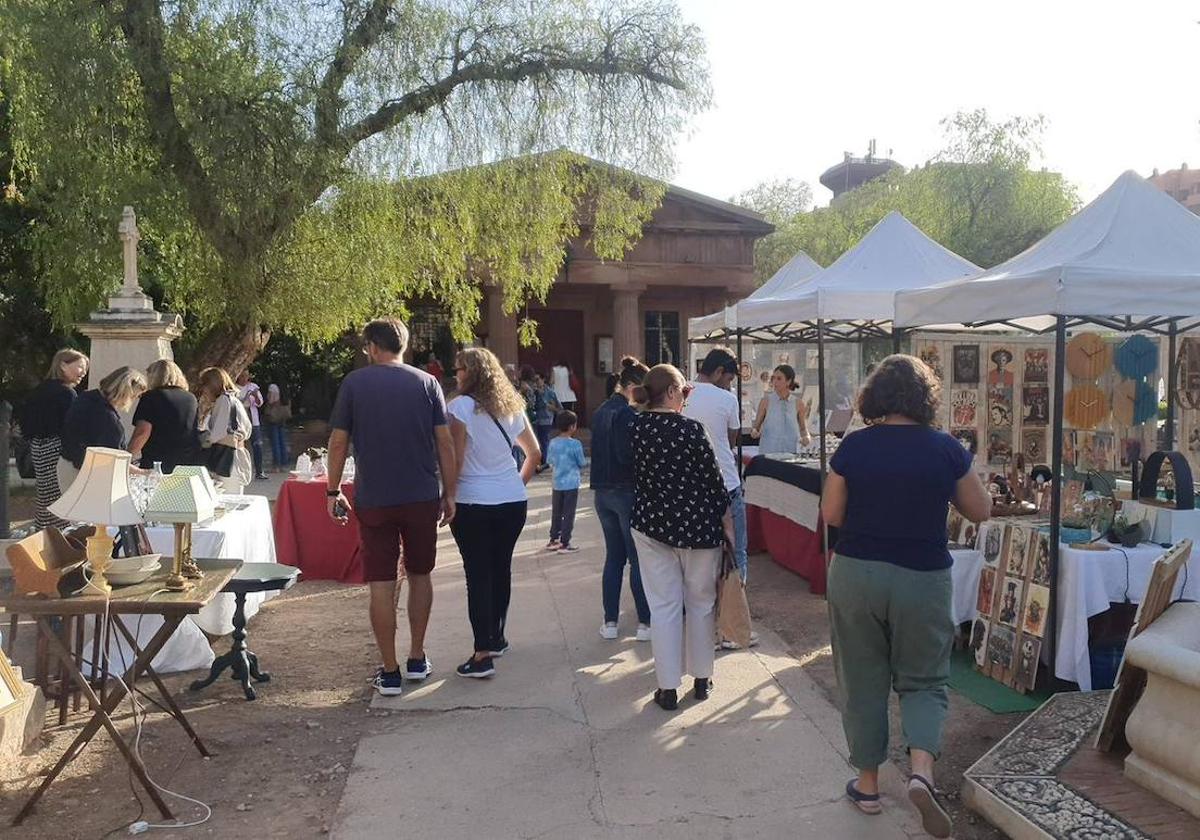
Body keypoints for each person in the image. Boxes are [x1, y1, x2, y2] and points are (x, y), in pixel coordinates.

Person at [820, 355, 990, 836]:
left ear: (876, 395)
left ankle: (869, 785)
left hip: (857, 572)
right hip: (922, 575)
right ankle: (921, 772)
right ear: (925, 397)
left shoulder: (854, 447)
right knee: (924, 679)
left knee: (862, 678)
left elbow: (831, 514)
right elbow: (980, 510)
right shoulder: (946, 448)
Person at [326, 318, 458, 697]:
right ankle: (417, 656)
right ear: (403, 346)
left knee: (381, 585)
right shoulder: (427, 383)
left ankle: (389, 670)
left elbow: (338, 443)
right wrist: (449, 492)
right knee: (420, 575)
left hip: (375, 497)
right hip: (420, 493)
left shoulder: (355, 384)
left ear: (371, 346)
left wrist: (332, 490)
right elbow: (445, 443)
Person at [631, 364, 733, 711]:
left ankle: (667, 687)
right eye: (684, 392)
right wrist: (728, 527)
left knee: (664, 606)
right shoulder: (692, 430)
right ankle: (702, 678)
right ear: (673, 392)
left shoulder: (635, 428)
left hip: (652, 524)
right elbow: (714, 483)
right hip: (699, 528)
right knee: (701, 603)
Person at [447, 347, 540, 678]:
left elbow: (455, 461)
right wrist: (514, 485)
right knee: (500, 569)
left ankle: (481, 653)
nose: (455, 374)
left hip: (474, 501)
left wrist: (448, 496)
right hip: (512, 501)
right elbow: (534, 454)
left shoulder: (460, 408)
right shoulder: (512, 406)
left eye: (458, 369)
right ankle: (496, 638)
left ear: (470, 372)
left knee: (478, 575)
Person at [590, 356, 652, 642]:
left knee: (614, 557)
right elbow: (629, 454)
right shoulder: (628, 416)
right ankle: (645, 622)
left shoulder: (601, 411)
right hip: (626, 490)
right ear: (631, 387)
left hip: (602, 491)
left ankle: (610, 621)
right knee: (637, 558)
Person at [21, 349, 88, 529]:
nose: (83, 372)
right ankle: (60, 535)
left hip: (38, 448)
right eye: (80, 367)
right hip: (57, 449)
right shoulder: (67, 394)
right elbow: (72, 428)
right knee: (61, 494)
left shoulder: (39, 390)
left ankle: (46, 530)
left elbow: (25, 425)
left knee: (45, 494)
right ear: (63, 365)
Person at [59, 366, 148, 492]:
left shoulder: (86, 398)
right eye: (135, 396)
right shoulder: (108, 420)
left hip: (66, 465)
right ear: (126, 393)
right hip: (84, 473)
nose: (133, 401)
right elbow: (113, 461)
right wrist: (143, 472)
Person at [128, 360, 199, 473]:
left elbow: (143, 431)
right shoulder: (191, 399)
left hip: (156, 462)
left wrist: (127, 458)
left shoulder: (151, 397)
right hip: (185, 463)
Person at [197, 367, 254, 495]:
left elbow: (217, 434)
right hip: (237, 455)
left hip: (228, 459)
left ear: (212, 385)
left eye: (204, 386)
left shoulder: (223, 400)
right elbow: (247, 429)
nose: (203, 391)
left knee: (228, 501)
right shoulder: (234, 400)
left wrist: (202, 438)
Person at [545, 410, 587, 553]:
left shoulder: (553, 442)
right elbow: (581, 462)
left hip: (557, 482)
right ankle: (565, 542)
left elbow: (549, 461)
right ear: (572, 427)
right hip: (571, 483)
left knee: (556, 511)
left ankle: (553, 539)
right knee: (569, 513)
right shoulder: (575, 444)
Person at [750, 364, 812, 454]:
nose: (775, 382)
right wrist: (755, 432)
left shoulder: (798, 403)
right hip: (769, 452)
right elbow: (756, 427)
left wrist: (806, 437)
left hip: (791, 453)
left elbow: (803, 428)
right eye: (773, 378)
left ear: (788, 381)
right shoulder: (766, 401)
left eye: (779, 379)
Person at [236, 371, 268, 480]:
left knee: (257, 445)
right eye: (242, 376)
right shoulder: (235, 388)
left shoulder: (253, 386)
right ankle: (240, 472)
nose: (245, 378)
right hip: (240, 419)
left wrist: (255, 396)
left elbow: (260, 403)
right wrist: (246, 396)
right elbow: (237, 403)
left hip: (253, 419)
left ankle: (259, 471)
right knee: (240, 445)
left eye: (247, 376)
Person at [531, 372, 560, 472]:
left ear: (543, 380)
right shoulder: (533, 392)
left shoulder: (550, 392)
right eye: (534, 380)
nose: (536, 382)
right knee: (537, 440)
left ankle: (545, 462)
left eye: (538, 379)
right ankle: (541, 461)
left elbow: (559, 407)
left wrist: (551, 407)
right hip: (535, 419)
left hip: (546, 419)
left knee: (544, 440)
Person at [262, 384, 292, 471]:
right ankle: (284, 464)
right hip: (282, 419)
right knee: (282, 442)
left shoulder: (272, 388)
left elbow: (271, 401)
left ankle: (276, 465)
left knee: (275, 443)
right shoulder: (284, 391)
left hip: (273, 420)